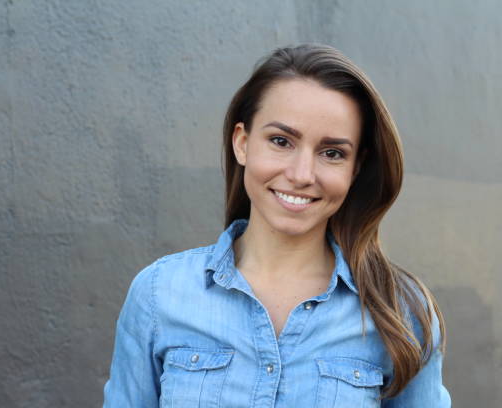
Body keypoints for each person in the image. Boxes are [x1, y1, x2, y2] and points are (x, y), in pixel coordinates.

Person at [103, 44, 450, 407]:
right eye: (281, 141)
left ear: (355, 168)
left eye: (332, 153)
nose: (301, 175)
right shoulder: (159, 294)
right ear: (242, 143)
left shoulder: (401, 312)